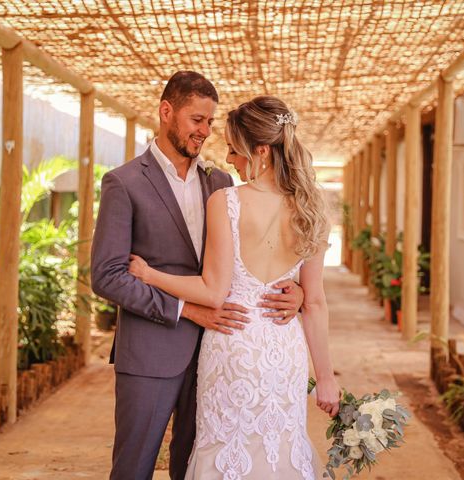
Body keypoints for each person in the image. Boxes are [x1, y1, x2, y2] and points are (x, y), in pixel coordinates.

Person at [91, 73, 305, 480]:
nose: (205, 131)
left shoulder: (221, 183)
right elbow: (108, 276)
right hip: (150, 355)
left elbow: (256, 256)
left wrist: (294, 289)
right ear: (166, 112)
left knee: (194, 467)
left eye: (210, 122)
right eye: (196, 120)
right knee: (133, 469)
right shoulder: (124, 182)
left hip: (216, 356)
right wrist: (186, 309)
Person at [128, 95, 341, 479]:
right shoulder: (313, 209)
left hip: (232, 346)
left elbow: (213, 292)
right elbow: (317, 302)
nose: (228, 160)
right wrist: (325, 377)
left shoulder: (226, 201)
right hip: (283, 352)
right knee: (280, 447)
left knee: (225, 450)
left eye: (233, 149)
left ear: (261, 150)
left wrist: (150, 275)